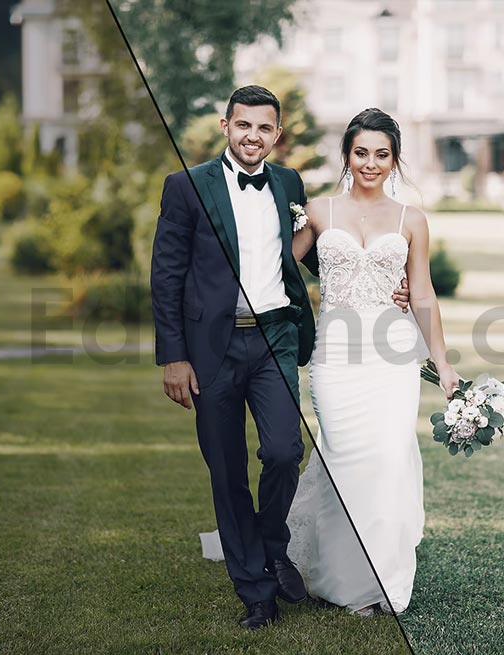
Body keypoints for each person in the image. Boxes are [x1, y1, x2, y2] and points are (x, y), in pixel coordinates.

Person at [150, 86, 410, 630]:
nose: (253, 136)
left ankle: (273, 546)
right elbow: (167, 275)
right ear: (225, 126)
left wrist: (386, 280)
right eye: (244, 125)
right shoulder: (186, 186)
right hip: (211, 348)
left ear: (277, 134)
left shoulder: (288, 184)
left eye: (264, 128)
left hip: (275, 339)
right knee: (227, 471)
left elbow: (316, 252)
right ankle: (257, 592)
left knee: (284, 450)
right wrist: (174, 357)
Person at [285, 108, 460, 616]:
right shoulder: (318, 211)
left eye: (382, 154)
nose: (370, 163)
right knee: (343, 461)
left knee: (388, 459)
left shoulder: (412, 220)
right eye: (361, 152)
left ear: (394, 160)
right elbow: (281, 271)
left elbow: (422, 294)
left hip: (393, 358)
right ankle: (343, 580)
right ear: (347, 154)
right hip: (335, 357)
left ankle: (383, 580)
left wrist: (443, 363)